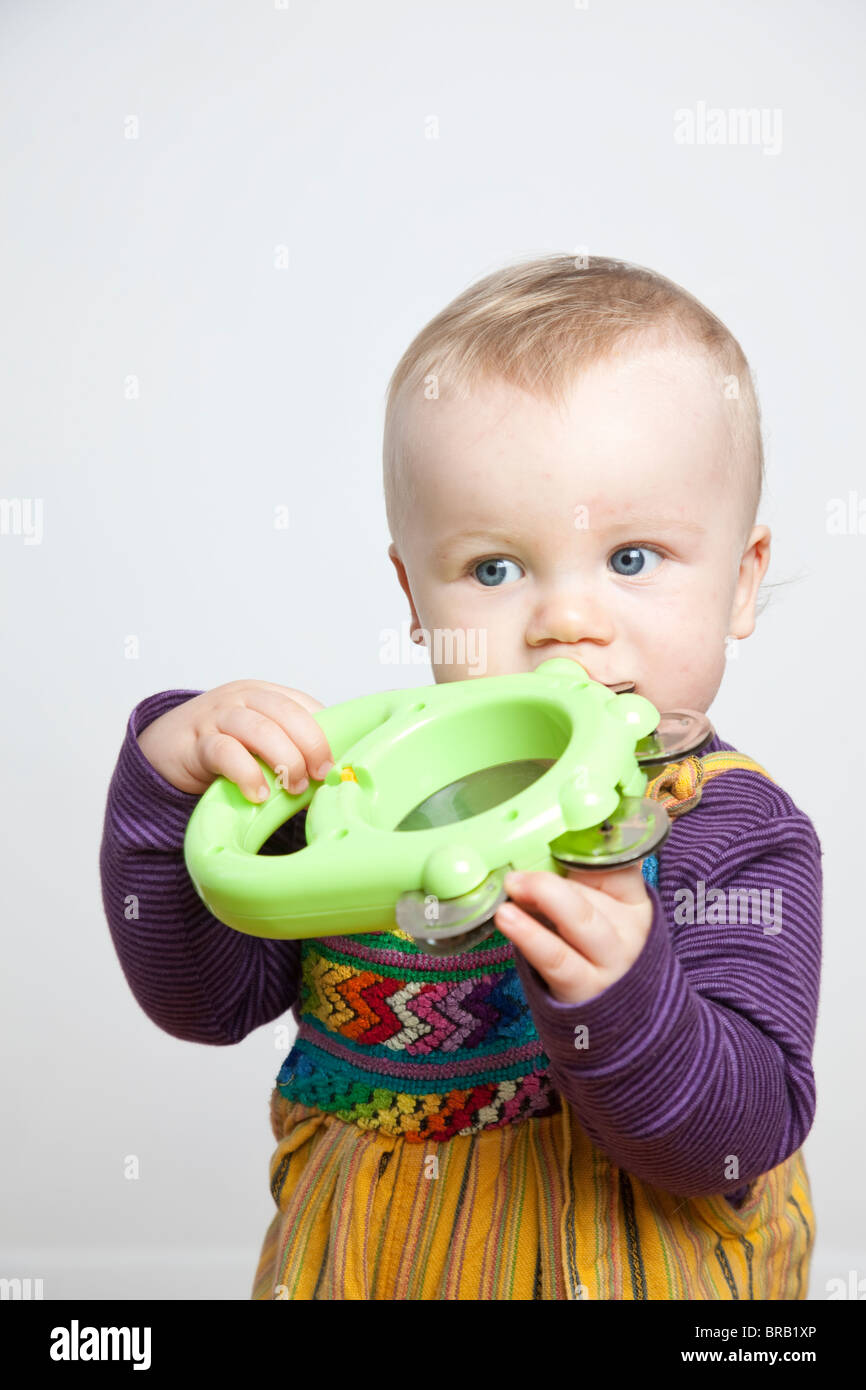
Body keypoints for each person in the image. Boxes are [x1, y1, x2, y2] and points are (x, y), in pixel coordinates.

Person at [99, 254, 822, 1300]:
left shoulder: (728, 827)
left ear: (739, 580)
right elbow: (203, 1000)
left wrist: (627, 997)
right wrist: (170, 801)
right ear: (412, 588)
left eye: (631, 558)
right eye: (493, 568)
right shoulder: (349, 802)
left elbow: (736, 1133)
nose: (564, 621)